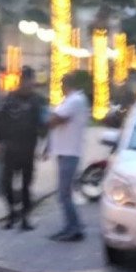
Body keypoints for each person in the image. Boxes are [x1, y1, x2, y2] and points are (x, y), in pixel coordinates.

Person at [0, 66, 48, 230]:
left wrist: (44, 141)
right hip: (10, 149)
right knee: (6, 184)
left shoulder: (38, 101)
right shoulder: (9, 99)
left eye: (31, 81)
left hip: (28, 149)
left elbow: (44, 124)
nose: (29, 84)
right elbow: (0, 121)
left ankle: (25, 218)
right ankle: (11, 213)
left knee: (26, 186)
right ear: (22, 81)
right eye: (27, 81)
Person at [44, 72, 91, 242]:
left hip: (69, 153)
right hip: (65, 151)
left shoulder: (75, 100)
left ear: (66, 84)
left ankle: (74, 228)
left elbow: (55, 120)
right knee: (65, 194)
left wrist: (50, 117)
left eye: (62, 85)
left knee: (64, 194)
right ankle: (71, 226)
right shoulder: (72, 100)